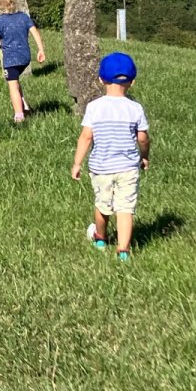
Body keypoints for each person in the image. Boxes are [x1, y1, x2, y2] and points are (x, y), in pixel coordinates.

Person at [71, 51, 149, 260]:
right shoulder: (135, 109)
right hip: (128, 168)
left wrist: (77, 163)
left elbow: (86, 137)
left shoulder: (95, 107)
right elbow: (143, 138)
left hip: (101, 167)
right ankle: (123, 251)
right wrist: (144, 156)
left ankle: (100, 238)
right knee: (125, 209)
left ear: (101, 79)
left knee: (102, 205)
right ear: (132, 82)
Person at [0, 0, 48, 123]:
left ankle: (19, 115)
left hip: (11, 60)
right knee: (16, 80)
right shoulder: (24, 17)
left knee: (13, 86)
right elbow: (35, 32)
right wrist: (41, 50)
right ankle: (24, 106)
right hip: (25, 57)